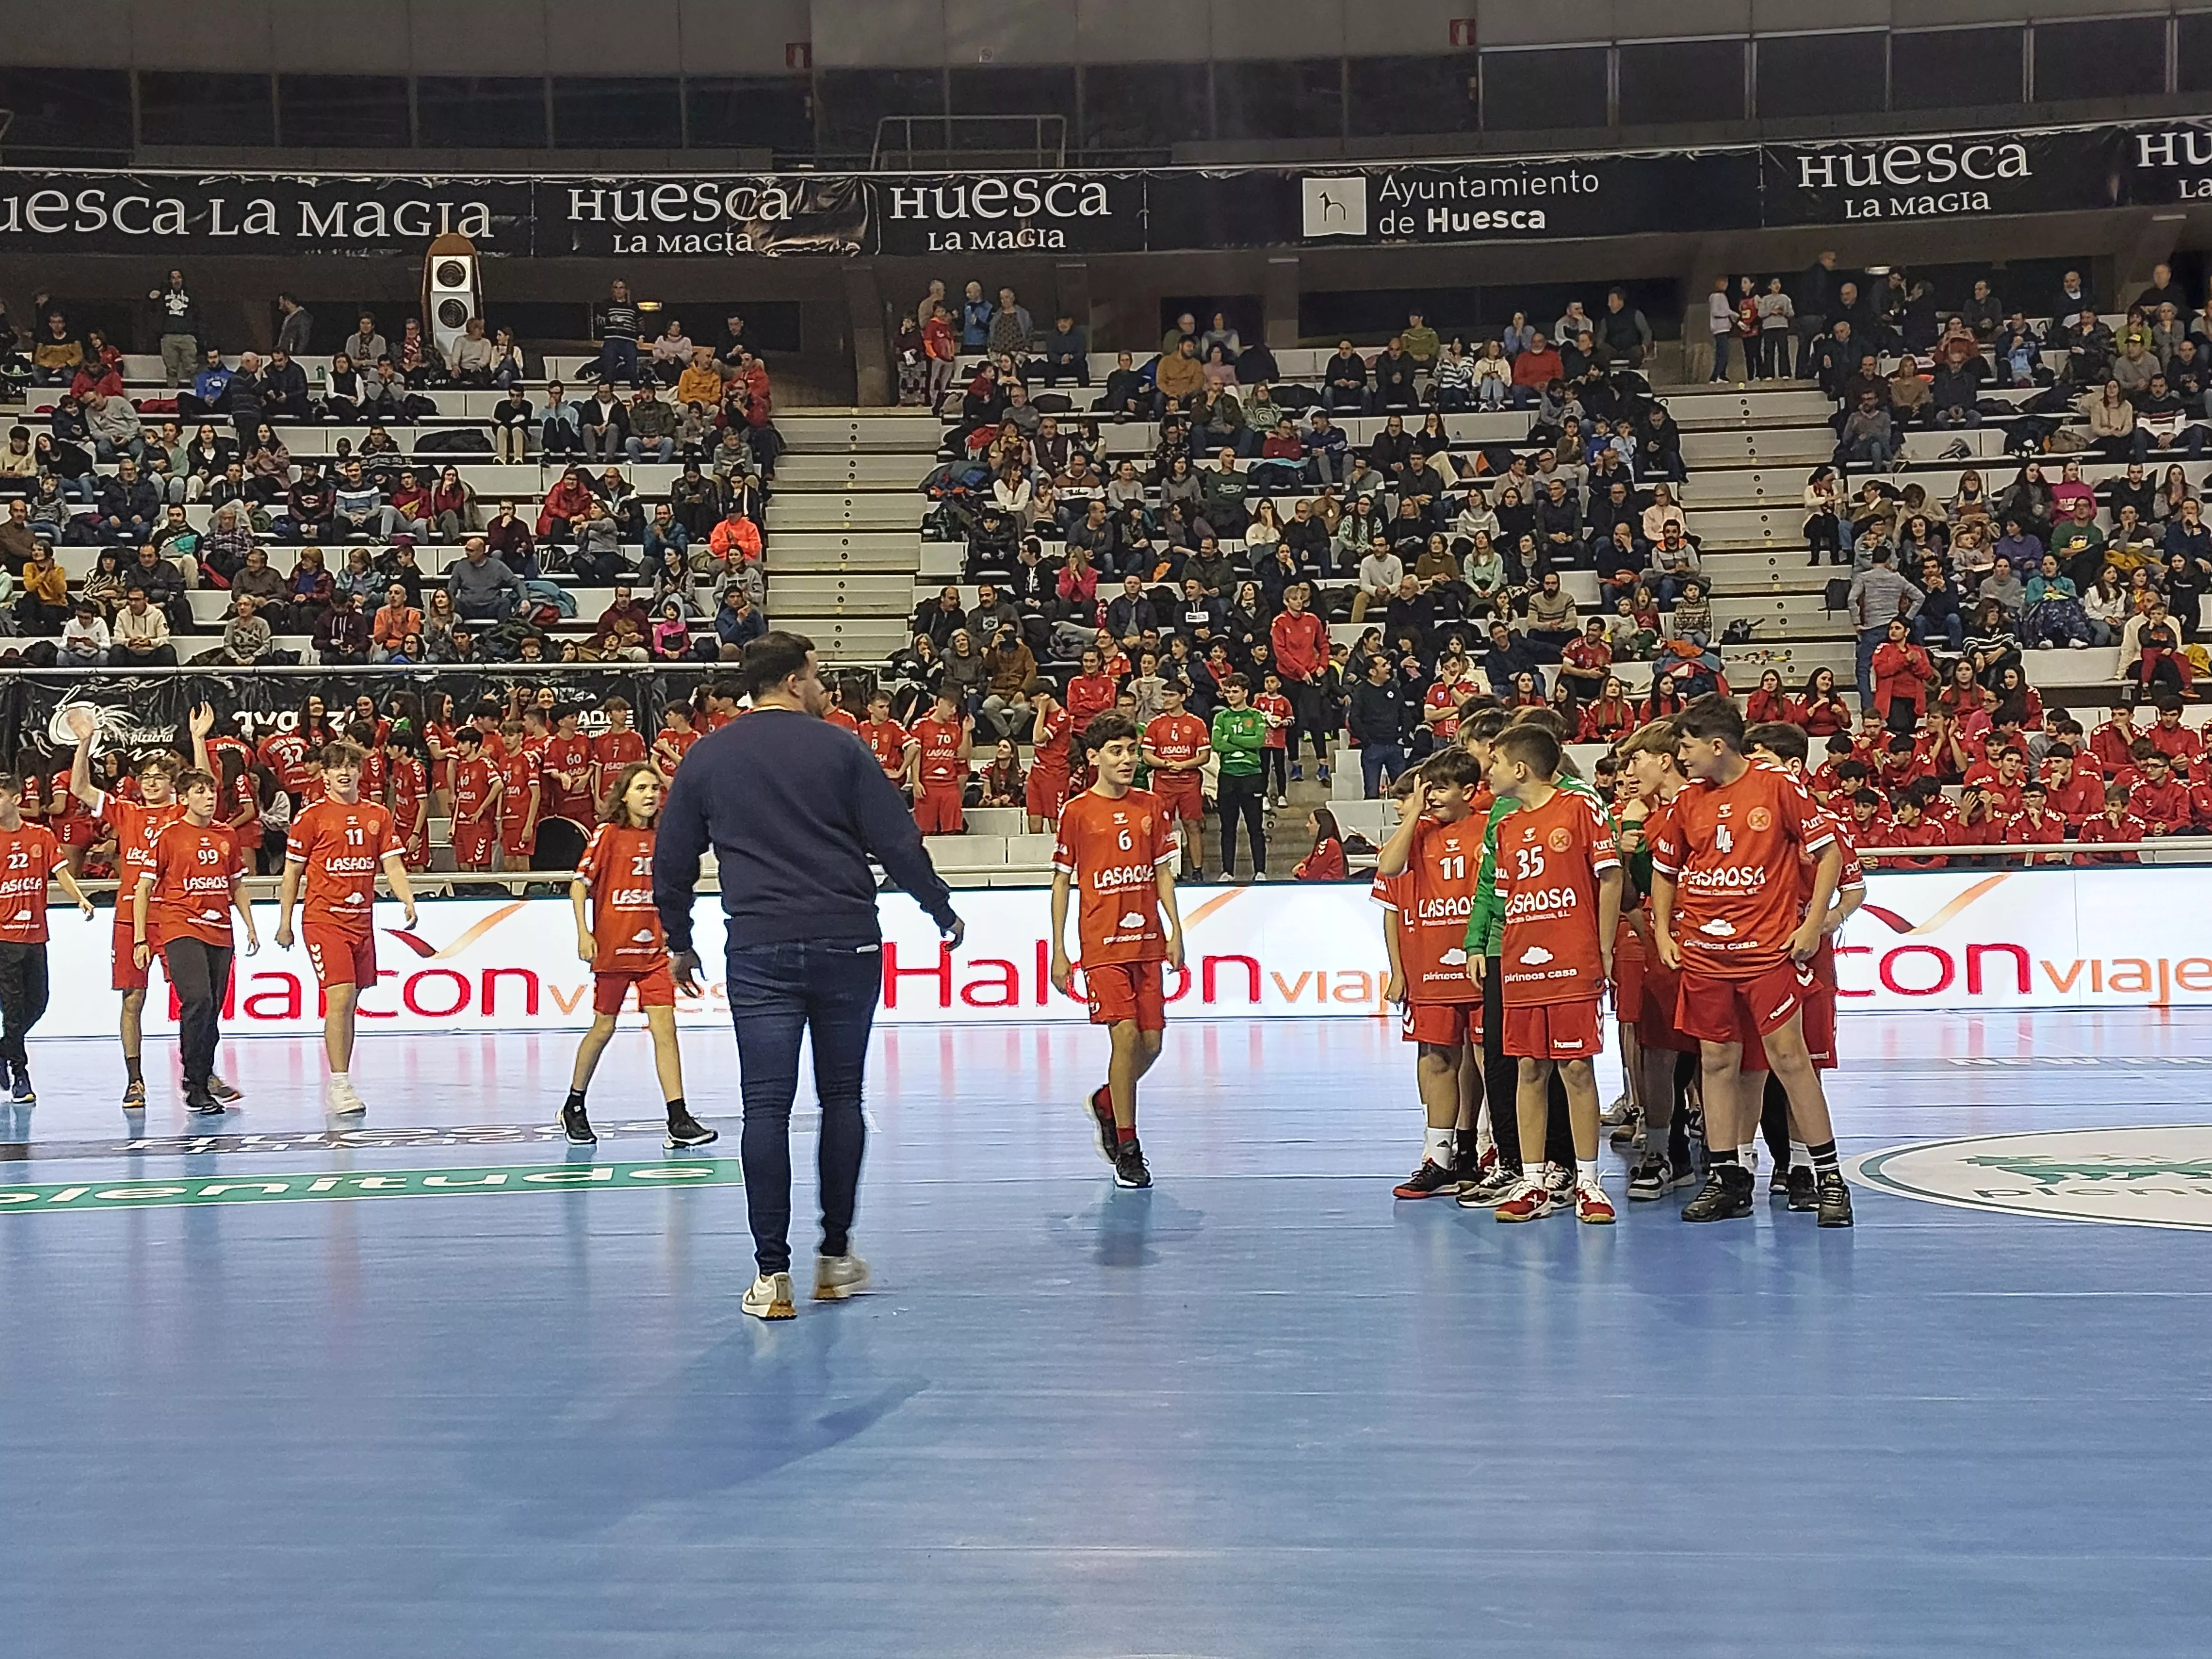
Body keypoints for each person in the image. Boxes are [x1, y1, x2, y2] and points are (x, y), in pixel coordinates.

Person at [654, 632, 963, 1321]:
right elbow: (898, 842)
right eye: (820, 678)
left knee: (765, 1106)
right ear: (794, 682)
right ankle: (834, 1255)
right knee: (842, 1097)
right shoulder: (842, 747)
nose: (827, 690)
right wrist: (939, 907)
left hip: (759, 949)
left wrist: (680, 940)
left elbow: (671, 860)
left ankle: (772, 1276)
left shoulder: (708, 756)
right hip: (846, 943)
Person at [1648, 697, 1853, 1228]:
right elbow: (1665, 869)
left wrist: (1813, 925)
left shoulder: (1776, 788)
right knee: (1716, 1062)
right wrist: (1663, 930)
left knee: (1789, 1060)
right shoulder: (1688, 801)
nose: (1679, 757)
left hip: (1766, 953)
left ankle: (1828, 1176)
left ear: (1717, 746)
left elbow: (1829, 853)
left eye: (1687, 747)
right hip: (1705, 955)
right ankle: (1727, 1178)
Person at [1481, 722, 1622, 1225]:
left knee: (1577, 1068)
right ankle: (1534, 1182)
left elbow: (1610, 877)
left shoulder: (1580, 806)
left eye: (1494, 761)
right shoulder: (1505, 826)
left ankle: (1588, 1183)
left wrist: (1602, 949)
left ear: (1520, 768)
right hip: (1521, 964)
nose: (1487, 769)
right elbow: (1504, 902)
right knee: (1528, 1069)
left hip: (1571, 959)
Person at [1049, 713, 1185, 1191]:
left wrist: (1175, 930)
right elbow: (1062, 881)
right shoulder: (1077, 812)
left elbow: (1163, 873)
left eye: (1131, 750)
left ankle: (1108, 1100)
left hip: (1147, 941)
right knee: (1125, 1037)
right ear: (1094, 758)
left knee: (1152, 1044)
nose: (1127, 760)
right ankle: (1128, 1148)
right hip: (1102, 943)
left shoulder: (1152, 806)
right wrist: (1059, 951)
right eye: (1116, 752)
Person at [559, 762, 716, 1151]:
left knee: (666, 1030)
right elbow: (579, 886)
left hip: (654, 953)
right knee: (603, 1029)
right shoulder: (608, 835)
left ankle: (678, 1117)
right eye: (641, 788)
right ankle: (574, 1104)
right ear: (624, 795)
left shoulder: (666, 838)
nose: (650, 795)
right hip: (614, 949)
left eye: (655, 789)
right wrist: (584, 933)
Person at [69, 704, 215, 1109]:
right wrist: (84, 744)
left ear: (173, 784)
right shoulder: (127, 811)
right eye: (146, 777)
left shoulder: (179, 814)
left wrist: (199, 741)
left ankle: (201, 1071)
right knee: (133, 999)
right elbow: (81, 789)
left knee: (194, 998)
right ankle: (135, 1080)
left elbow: (205, 786)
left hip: (174, 916)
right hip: (131, 918)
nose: (151, 782)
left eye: (159, 777)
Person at [273, 740, 419, 1118]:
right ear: (324, 774)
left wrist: (407, 899)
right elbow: (292, 872)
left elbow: (393, 865)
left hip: (362, 920)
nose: (344, 772)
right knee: (338, 998)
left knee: (351, 1001)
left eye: (351, 766)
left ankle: (343, 1077)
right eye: (336, 766)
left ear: (359, 771)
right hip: (324, 919)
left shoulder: (378, 815)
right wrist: (285, 921)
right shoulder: (311, 817)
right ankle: (339, 1084)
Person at [1374, 750, 1489, 1199]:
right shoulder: (1417, 832)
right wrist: (1416, 812)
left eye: (1441, 788)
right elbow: (1387, 868)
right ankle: (1436, 1158)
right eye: (1428, 788)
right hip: (1430, 969)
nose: (1433, 797)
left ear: (1468, 791)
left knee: (1488, 1063)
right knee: (1437, 1061)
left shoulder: (1487, 826)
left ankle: (1495, 1154)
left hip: (1479, 966)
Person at [134, 768, 258, 1115]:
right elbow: (143, 888)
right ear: (184, 798)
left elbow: (237, 885)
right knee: (198, 1001)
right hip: (181, 927)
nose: (208, 798)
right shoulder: (170, 835)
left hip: (221, 930)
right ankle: (196, 1083)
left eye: (212, 792)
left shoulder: (227, 835)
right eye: (200, 792)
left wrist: (249, 926)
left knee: (213, 1009)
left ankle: (199, 1076)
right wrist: (141, 938)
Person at [0, 770, 96, 1103]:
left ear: (15, 799)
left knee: (38, 1003)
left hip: (36, 936)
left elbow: (61, 873)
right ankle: (20, 1075)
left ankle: (3, 1050)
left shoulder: (40, 836)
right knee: (12, 1009)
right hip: (4, 938)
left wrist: (80, 898)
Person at [1141, 677, 1210, 881]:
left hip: (1189, 782)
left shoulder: (1196, 723)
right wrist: (1164, 763)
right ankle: (1163, 869)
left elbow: (1204, 756)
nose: (1167, 699)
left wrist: (1183, 765)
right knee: (1162, 825)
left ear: (1183, 697)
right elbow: (1147, 754)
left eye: (1171, 695)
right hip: (1163, 782)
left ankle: (1198, 871)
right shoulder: (1155, 724)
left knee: (1192, 824)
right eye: (1164, 695)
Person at [1210, 674, 1268, 881]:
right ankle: (1228, 872)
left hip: (1251, 775)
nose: (1231, 695)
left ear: (1245, 693)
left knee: (1255, 826)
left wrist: (1232, 738)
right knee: (1228, 827)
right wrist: (1244, 741)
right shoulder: (1221, 717)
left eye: (1235, 691)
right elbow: (1217, 744)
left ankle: (1260, 871)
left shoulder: (1256, 716)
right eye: (1228, 692)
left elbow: (1258, 742)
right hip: (1228, 776)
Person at [909, 686, 973, 836]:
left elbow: (963, 755)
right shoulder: (921, 725)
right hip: (928, 783)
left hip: (949, 785)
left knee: (951, 831)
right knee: (925, 832)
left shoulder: (955, 729)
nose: (953, 711)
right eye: (950, 706)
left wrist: (966, 732)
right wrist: (916, 782)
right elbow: (916, 756)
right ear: (940, 702)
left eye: (955, 707)